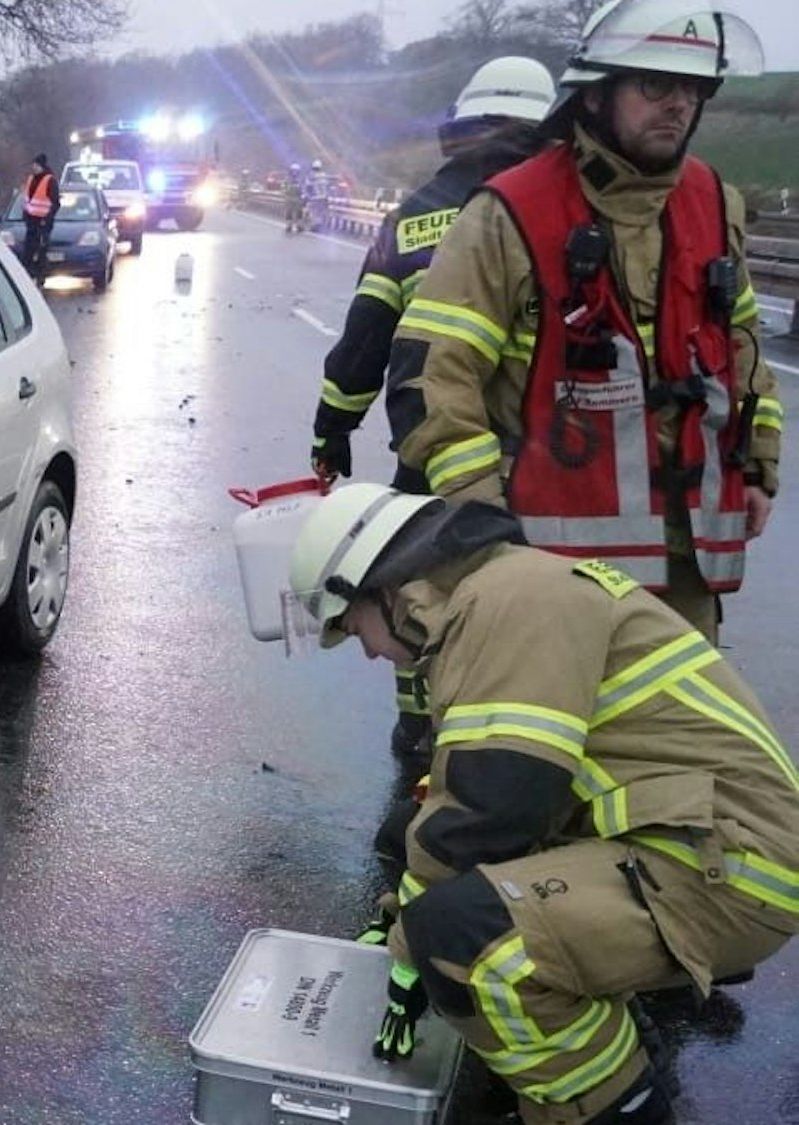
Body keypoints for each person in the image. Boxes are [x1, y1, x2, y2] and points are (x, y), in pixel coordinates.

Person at [286, 482, 799, 1125]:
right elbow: (470, 801)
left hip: (729, 869)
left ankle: (614, 1108)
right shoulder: (501, 591)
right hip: (687, 839)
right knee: (413, 841)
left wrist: (410, 946)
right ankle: (605, 1031)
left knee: (466, 942)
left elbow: (491, 806)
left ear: (384, 590)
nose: (367, 650)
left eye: (353, 627)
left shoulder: (509, 604)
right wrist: (400, 916)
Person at [385, 1, 780, 646]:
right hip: (549, 563)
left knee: (675, 738)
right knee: (551, 740)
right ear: (595, 96)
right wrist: (483, 521)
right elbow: (435, 374)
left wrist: (758, 468)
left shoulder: (714, 203)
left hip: (688, 566)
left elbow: (740, 344)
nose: (677, 103)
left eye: (691, 88)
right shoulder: (511, 213)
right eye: (655, 84)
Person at [309, 56, 557, 764]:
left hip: (432, 453)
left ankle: (424, 738)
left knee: (421, 595)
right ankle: (525, 735)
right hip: (551, 461)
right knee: (539, 604)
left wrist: (332, 431)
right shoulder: (561, 214)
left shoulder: (412, 221)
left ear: (460, 132)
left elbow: (365, 344)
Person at [19, 154, 61, 281]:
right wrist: (25, 214)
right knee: (28, 250)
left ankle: (41, 276)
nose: (34, 167)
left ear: (42, 166)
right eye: (33, 165)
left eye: (37, 165)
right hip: (31, 221)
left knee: (41, 250)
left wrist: (47, 218)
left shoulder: (50, 180)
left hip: (43, 222)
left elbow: (55, 203)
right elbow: (27, 199)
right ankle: (27, 276)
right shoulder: (31, 179)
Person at [282, 163, 305, 232]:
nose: (295, 172)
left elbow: (304, 188)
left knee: (299, 212)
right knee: (289, 212)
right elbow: (283, 188)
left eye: (296, 171)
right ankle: (289, 225)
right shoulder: (287, 179)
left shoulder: (300, 179)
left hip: (296, 198)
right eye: (294, 171)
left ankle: (298, 225)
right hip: (291, 198)